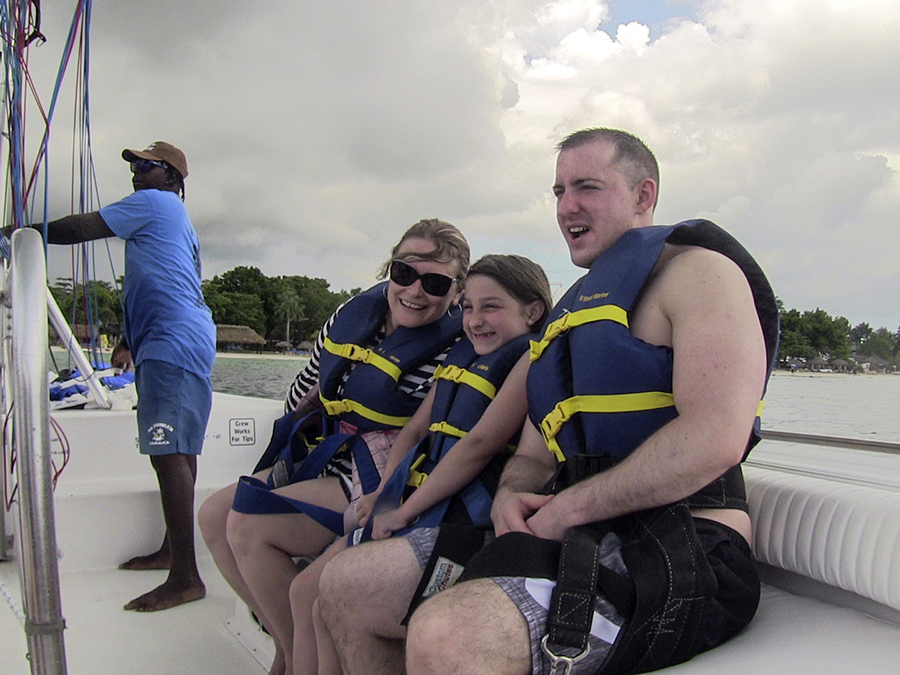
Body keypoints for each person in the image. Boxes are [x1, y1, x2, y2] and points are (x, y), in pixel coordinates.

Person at [318, 128, 779, 675]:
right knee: (347, 584)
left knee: (449, 636)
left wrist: (570, 509)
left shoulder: (700, 273)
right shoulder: (571, 314)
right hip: (575, 530)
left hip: (684, 542)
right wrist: (511, 495)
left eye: (586, 186)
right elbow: (535, 455)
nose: (567, 207)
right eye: (559, 191)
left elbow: (717, 435)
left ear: (643, 195)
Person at [198, 219, 468, 675]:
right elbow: (306, 383)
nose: (415, 291)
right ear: (389, 270)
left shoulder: (455, 345)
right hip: (326, 449)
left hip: (373, 471)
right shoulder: (351, 314)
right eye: (404, 274)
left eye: (435, 283)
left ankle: (287, 657)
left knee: (248, 526)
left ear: (456, 292)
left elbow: (428, 433)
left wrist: (388, 496)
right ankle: (283, 638)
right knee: (211, 515)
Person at [290, 255, 551, 675]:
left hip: (462, 521)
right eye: (468, 307)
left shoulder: (531, 362)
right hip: (418, 502)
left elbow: (479, 445)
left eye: (492, 307)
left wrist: (404, 512)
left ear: (533, 311)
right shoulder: (462, 356)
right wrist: (382, 496)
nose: (475, 320)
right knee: (315, 599)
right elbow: (413, 432)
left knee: (338, 591)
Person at [33, 141, 216, 612]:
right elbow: (162, 279)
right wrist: (129, 338)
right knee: (181, 450)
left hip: (172, 341)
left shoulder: (154, 203)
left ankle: (185, 578)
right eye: (133, 165)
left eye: (146, 165)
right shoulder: (178, 222)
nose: (136, 172)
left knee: (168, 453)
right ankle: (172, 551)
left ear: (173, 177)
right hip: (180, 337)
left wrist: (26, 234)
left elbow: (82, 227)